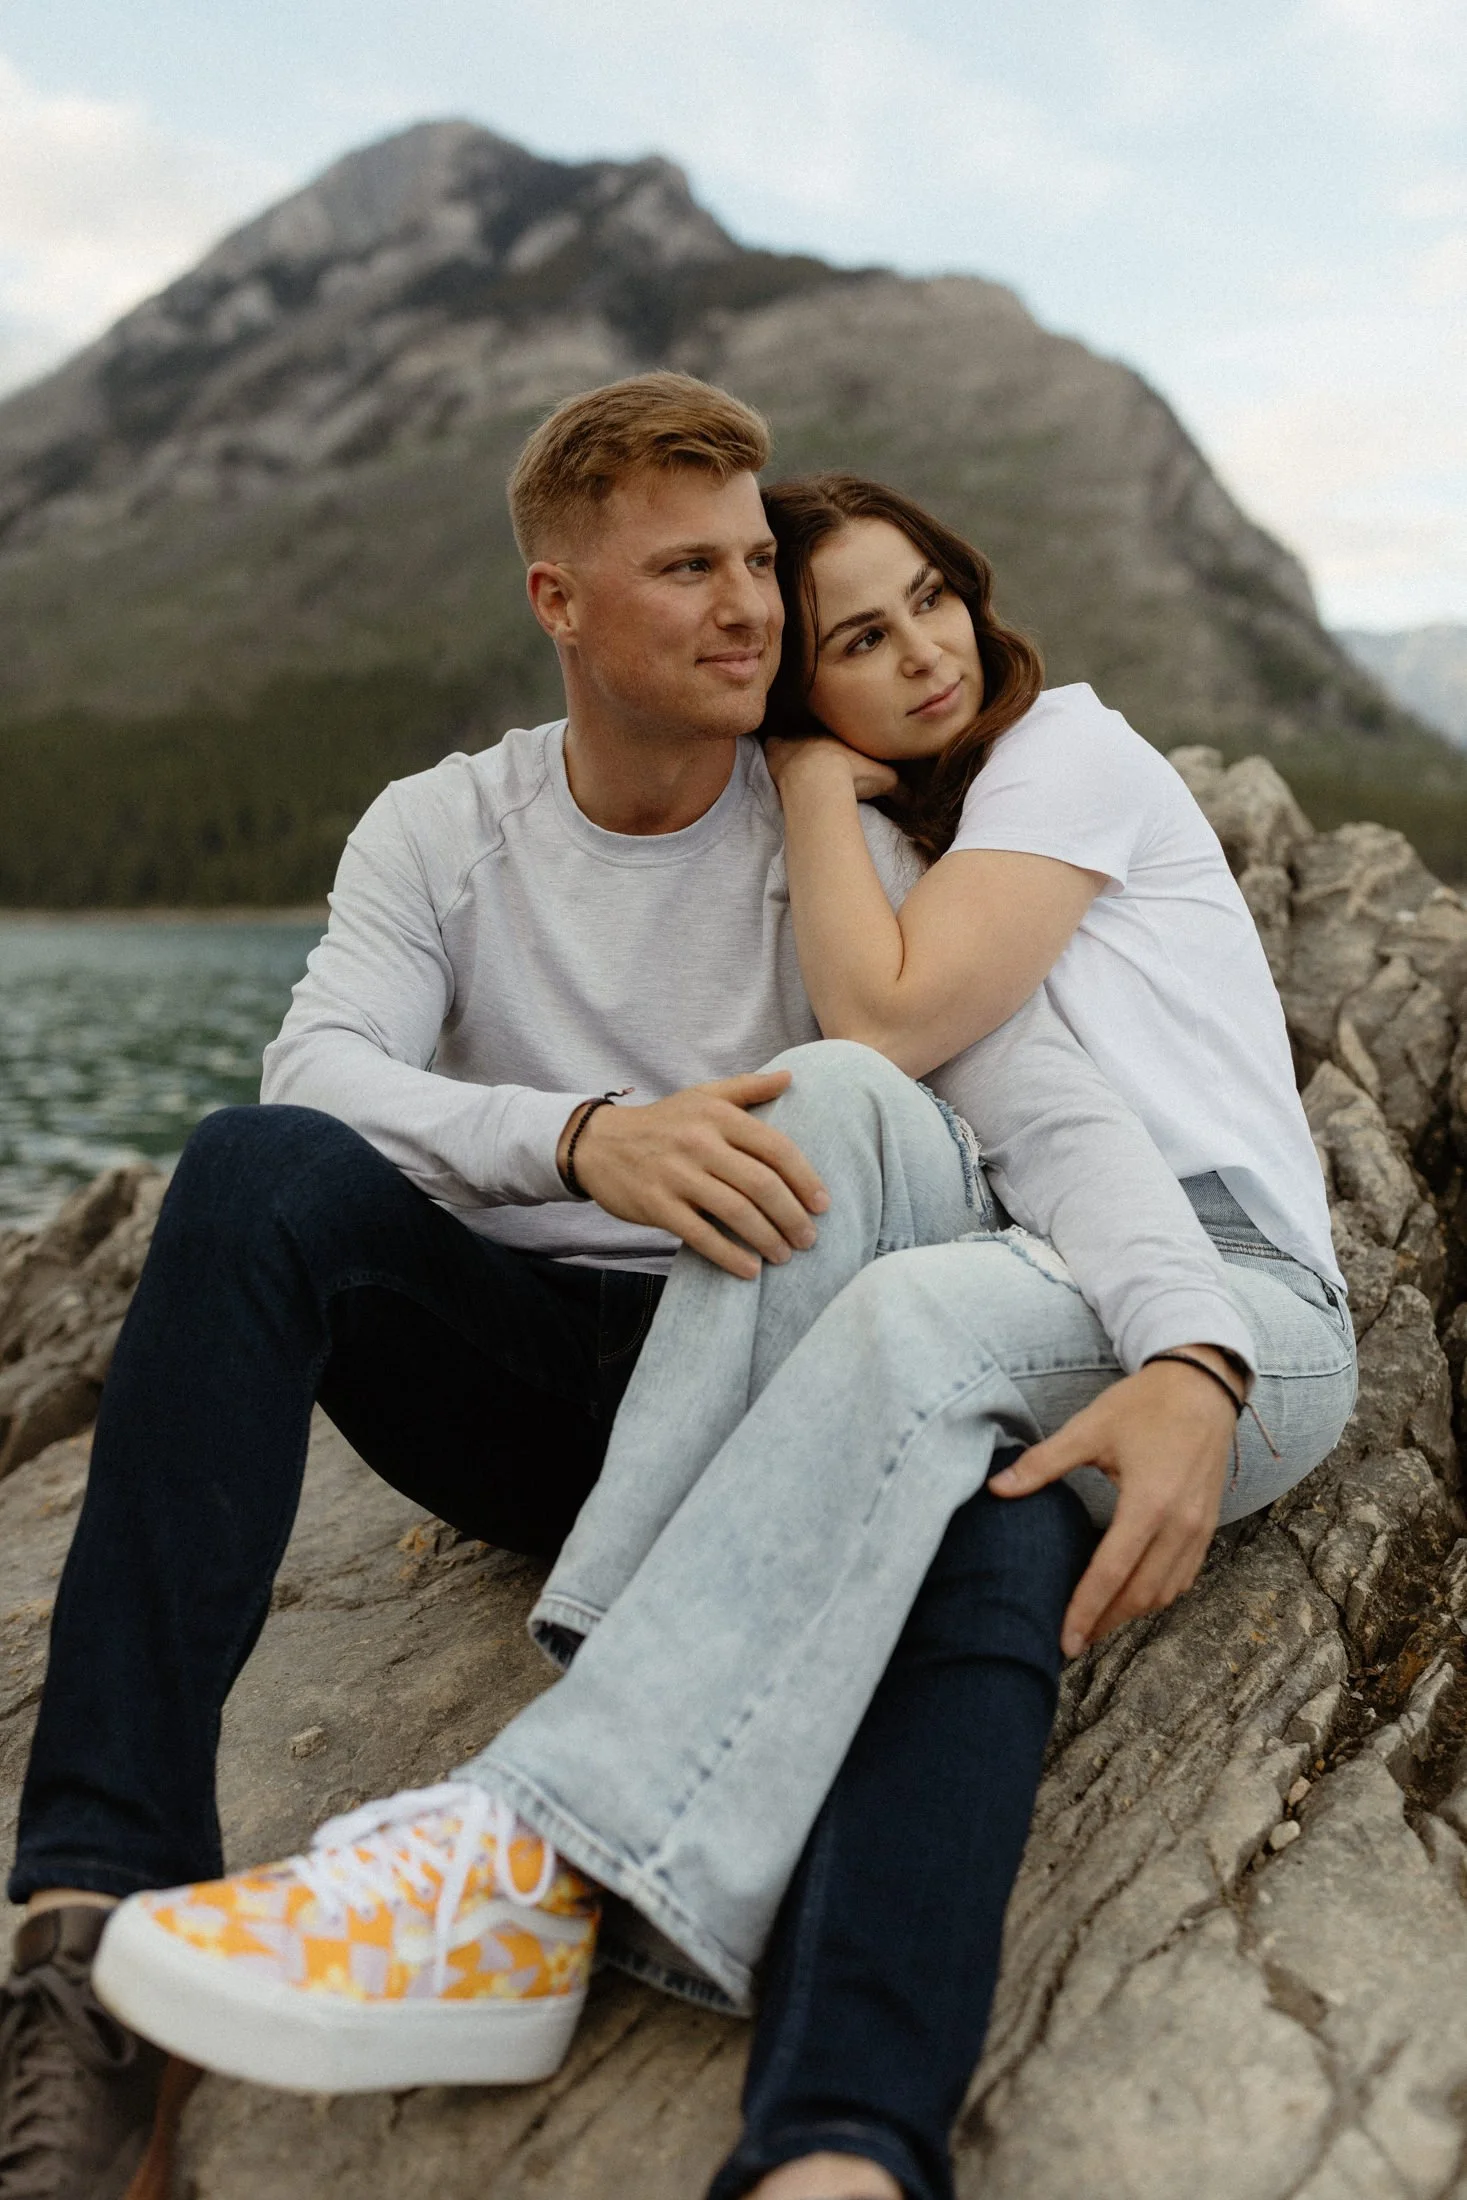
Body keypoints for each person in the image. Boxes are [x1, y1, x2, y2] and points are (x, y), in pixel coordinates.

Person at [0, 377, 1256, 2200]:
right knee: (250, 1176)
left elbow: (1040, 1111)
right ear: (558, 603)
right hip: (511, 1384)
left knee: (991, 1490)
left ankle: (822, 2142)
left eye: (757, 559)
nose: (750, 604)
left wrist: (1191, 1347)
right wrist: (580, 1137)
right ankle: (86, 1930)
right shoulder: (442, 828)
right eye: (687, 567)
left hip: (768, 1410)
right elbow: (322, 1075)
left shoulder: (844, 846)